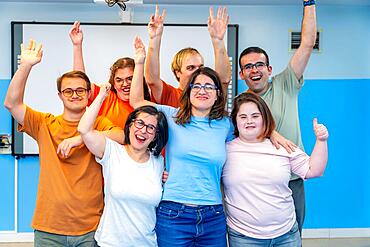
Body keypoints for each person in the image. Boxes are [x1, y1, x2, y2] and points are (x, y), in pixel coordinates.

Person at [4, 39, 123, 246]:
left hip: (90, 228)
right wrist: (25, 66)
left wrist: (81, 137)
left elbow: (121, 136)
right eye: (68, 91)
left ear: (89, 95)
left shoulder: (100, 124)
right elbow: (12, 104)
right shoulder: (44, 124)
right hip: (48, 228)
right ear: (60, 95)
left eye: (80, 90)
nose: (74, 95)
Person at [130, 36, 233, 246]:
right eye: (196, 86)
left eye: (208, 87)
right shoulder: (172, 116)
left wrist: (274, 134)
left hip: (213, 214)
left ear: (217, 95)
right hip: (174, 213)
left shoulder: (226, 124)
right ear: (188, 91)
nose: (202, 91)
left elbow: (254, 132)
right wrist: (139, 62)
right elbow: (136, 102)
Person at [238, 0, 317, 234]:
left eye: (259, 65)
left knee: (292, 237)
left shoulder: (286, 84)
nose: (255, 70)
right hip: (255, 184)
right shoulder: (240, 104)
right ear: (242, 74)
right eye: (249, 67)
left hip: (291, 179)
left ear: (269, 70)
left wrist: (309, 3)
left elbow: (307, 43)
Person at [223, 92, 329, 247]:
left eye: (255, 116)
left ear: (264, 118)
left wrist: (321, 140)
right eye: (243, 117)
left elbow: (314, 170)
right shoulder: (225, 152)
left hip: (286, 235)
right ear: (235, 121)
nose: (249, 121)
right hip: (244, 237)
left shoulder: (281, 146)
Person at [77, 82, 168, 246]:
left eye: (150, 128)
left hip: (146, 243)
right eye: (139, 123)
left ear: (155, 136)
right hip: (109, 243)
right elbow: (84, 130)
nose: (143, 130)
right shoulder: (112, 151)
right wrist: (101, 96)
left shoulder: (159, 162)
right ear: (130, 125)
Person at [145, 5, 231, 107]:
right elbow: (152, 80)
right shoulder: (170, 95)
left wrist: (218, 41)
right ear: (178, 73)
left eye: (201, 67)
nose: (197, 71)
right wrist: (155, 39)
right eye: (191, 68)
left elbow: (224, 81)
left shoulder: (209, 95)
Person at [69, 21, 151, 128]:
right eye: (119, 80)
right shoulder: (106, 99)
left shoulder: (149, 102)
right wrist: (77, 45)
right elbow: (80, 83)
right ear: (113, 83)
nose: (125, 84)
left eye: (130, 78)